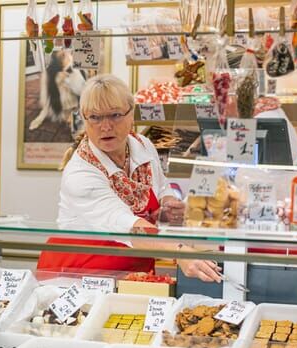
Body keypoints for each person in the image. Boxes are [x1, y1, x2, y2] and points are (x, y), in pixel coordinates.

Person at [37, 74, 222, 282]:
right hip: (78, 275)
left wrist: (169, 204)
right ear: (83, 117)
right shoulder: (80, 175)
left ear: (131, 113)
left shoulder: (142, 145)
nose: (105, 126)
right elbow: (129, 227)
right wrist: (180, 252)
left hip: (133, 267)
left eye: (115, 115)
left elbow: (161, 187)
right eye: (95, 117)